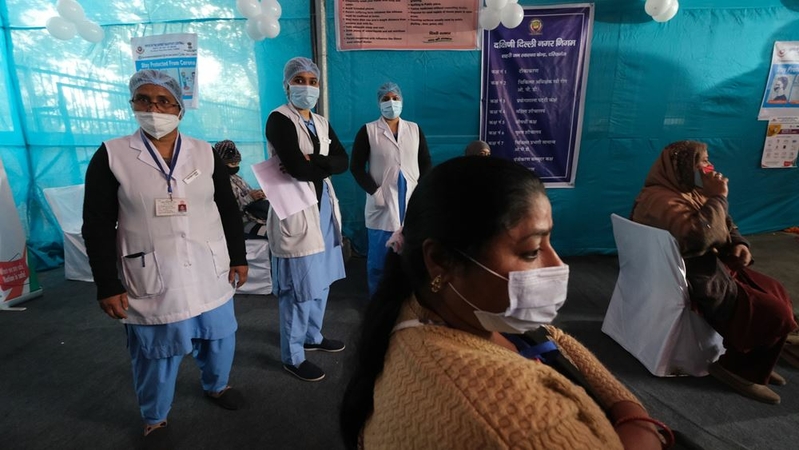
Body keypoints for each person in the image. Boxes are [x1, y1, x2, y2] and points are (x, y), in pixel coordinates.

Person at [341, 157, 670, 449]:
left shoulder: (432, 306)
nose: (557, 265)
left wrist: (627, 409)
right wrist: (641, 427)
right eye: (531, 251)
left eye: (549, 241)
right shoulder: (516, 427)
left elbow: (552, 339)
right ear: (440, 259)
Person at [82, 69, 248, 448]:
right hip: (151, 273)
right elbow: (96, 223)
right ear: (132, 104)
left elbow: (227, 208)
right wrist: (107, 283)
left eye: (163, 101)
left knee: (220, 335)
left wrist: (238, 256)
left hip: (209, 267)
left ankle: (217, 386)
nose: (153, 108)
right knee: (156, 351)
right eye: (144, 99)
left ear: (180, 109)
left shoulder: (204, 152)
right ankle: (154, 418)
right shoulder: (113, 154)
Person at [631, 140, 797, 404]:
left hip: (713, 266)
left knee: (776, 291)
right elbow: (700, 237)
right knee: (773, 311)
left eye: (708, 160)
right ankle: (736, 368)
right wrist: (719, 197)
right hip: (696, 275)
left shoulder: (691, 193)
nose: (709, 167)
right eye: (702, 161)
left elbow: (726, 223)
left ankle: (758, 361)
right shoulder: (659, 199)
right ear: (683, 167)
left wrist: (739, 243)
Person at [264, 56, 348, 382]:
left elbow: (343, 160)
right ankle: (293, 355)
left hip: (323, 206)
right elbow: (298, 169)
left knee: (321, 280)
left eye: (313, 81)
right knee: (299, 288)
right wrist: (318, 164)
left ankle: (313, 336)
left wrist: (318, 161)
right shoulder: (278, 119)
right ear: (287, 85)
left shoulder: (322, 122)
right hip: (295, 209)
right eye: (300, 80)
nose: (308, 87)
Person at [350, 81, 432, 297]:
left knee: (410, 255)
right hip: (382, 204)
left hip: (410, 201)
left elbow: (425, 163)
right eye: (386, 99)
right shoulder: (368, 131)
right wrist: (374, 192)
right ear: (379, 103)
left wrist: (422, 192)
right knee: (379, 259)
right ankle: (378, 301)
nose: (391, 102)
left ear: (402, 101)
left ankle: (407, 300)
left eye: (395, 98)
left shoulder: (414, 130)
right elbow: (356, 167)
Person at [213, 139, 269, 239]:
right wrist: (250, 198)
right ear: (222, 163)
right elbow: (227, 208)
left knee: (280, 228)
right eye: (233, 164)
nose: (236, 167)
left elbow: (247, 194)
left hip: (254, 218)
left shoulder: (236, 178)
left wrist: (258, 194)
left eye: (238, 163)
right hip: (239, 223)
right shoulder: (218, 182)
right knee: (273, 233)